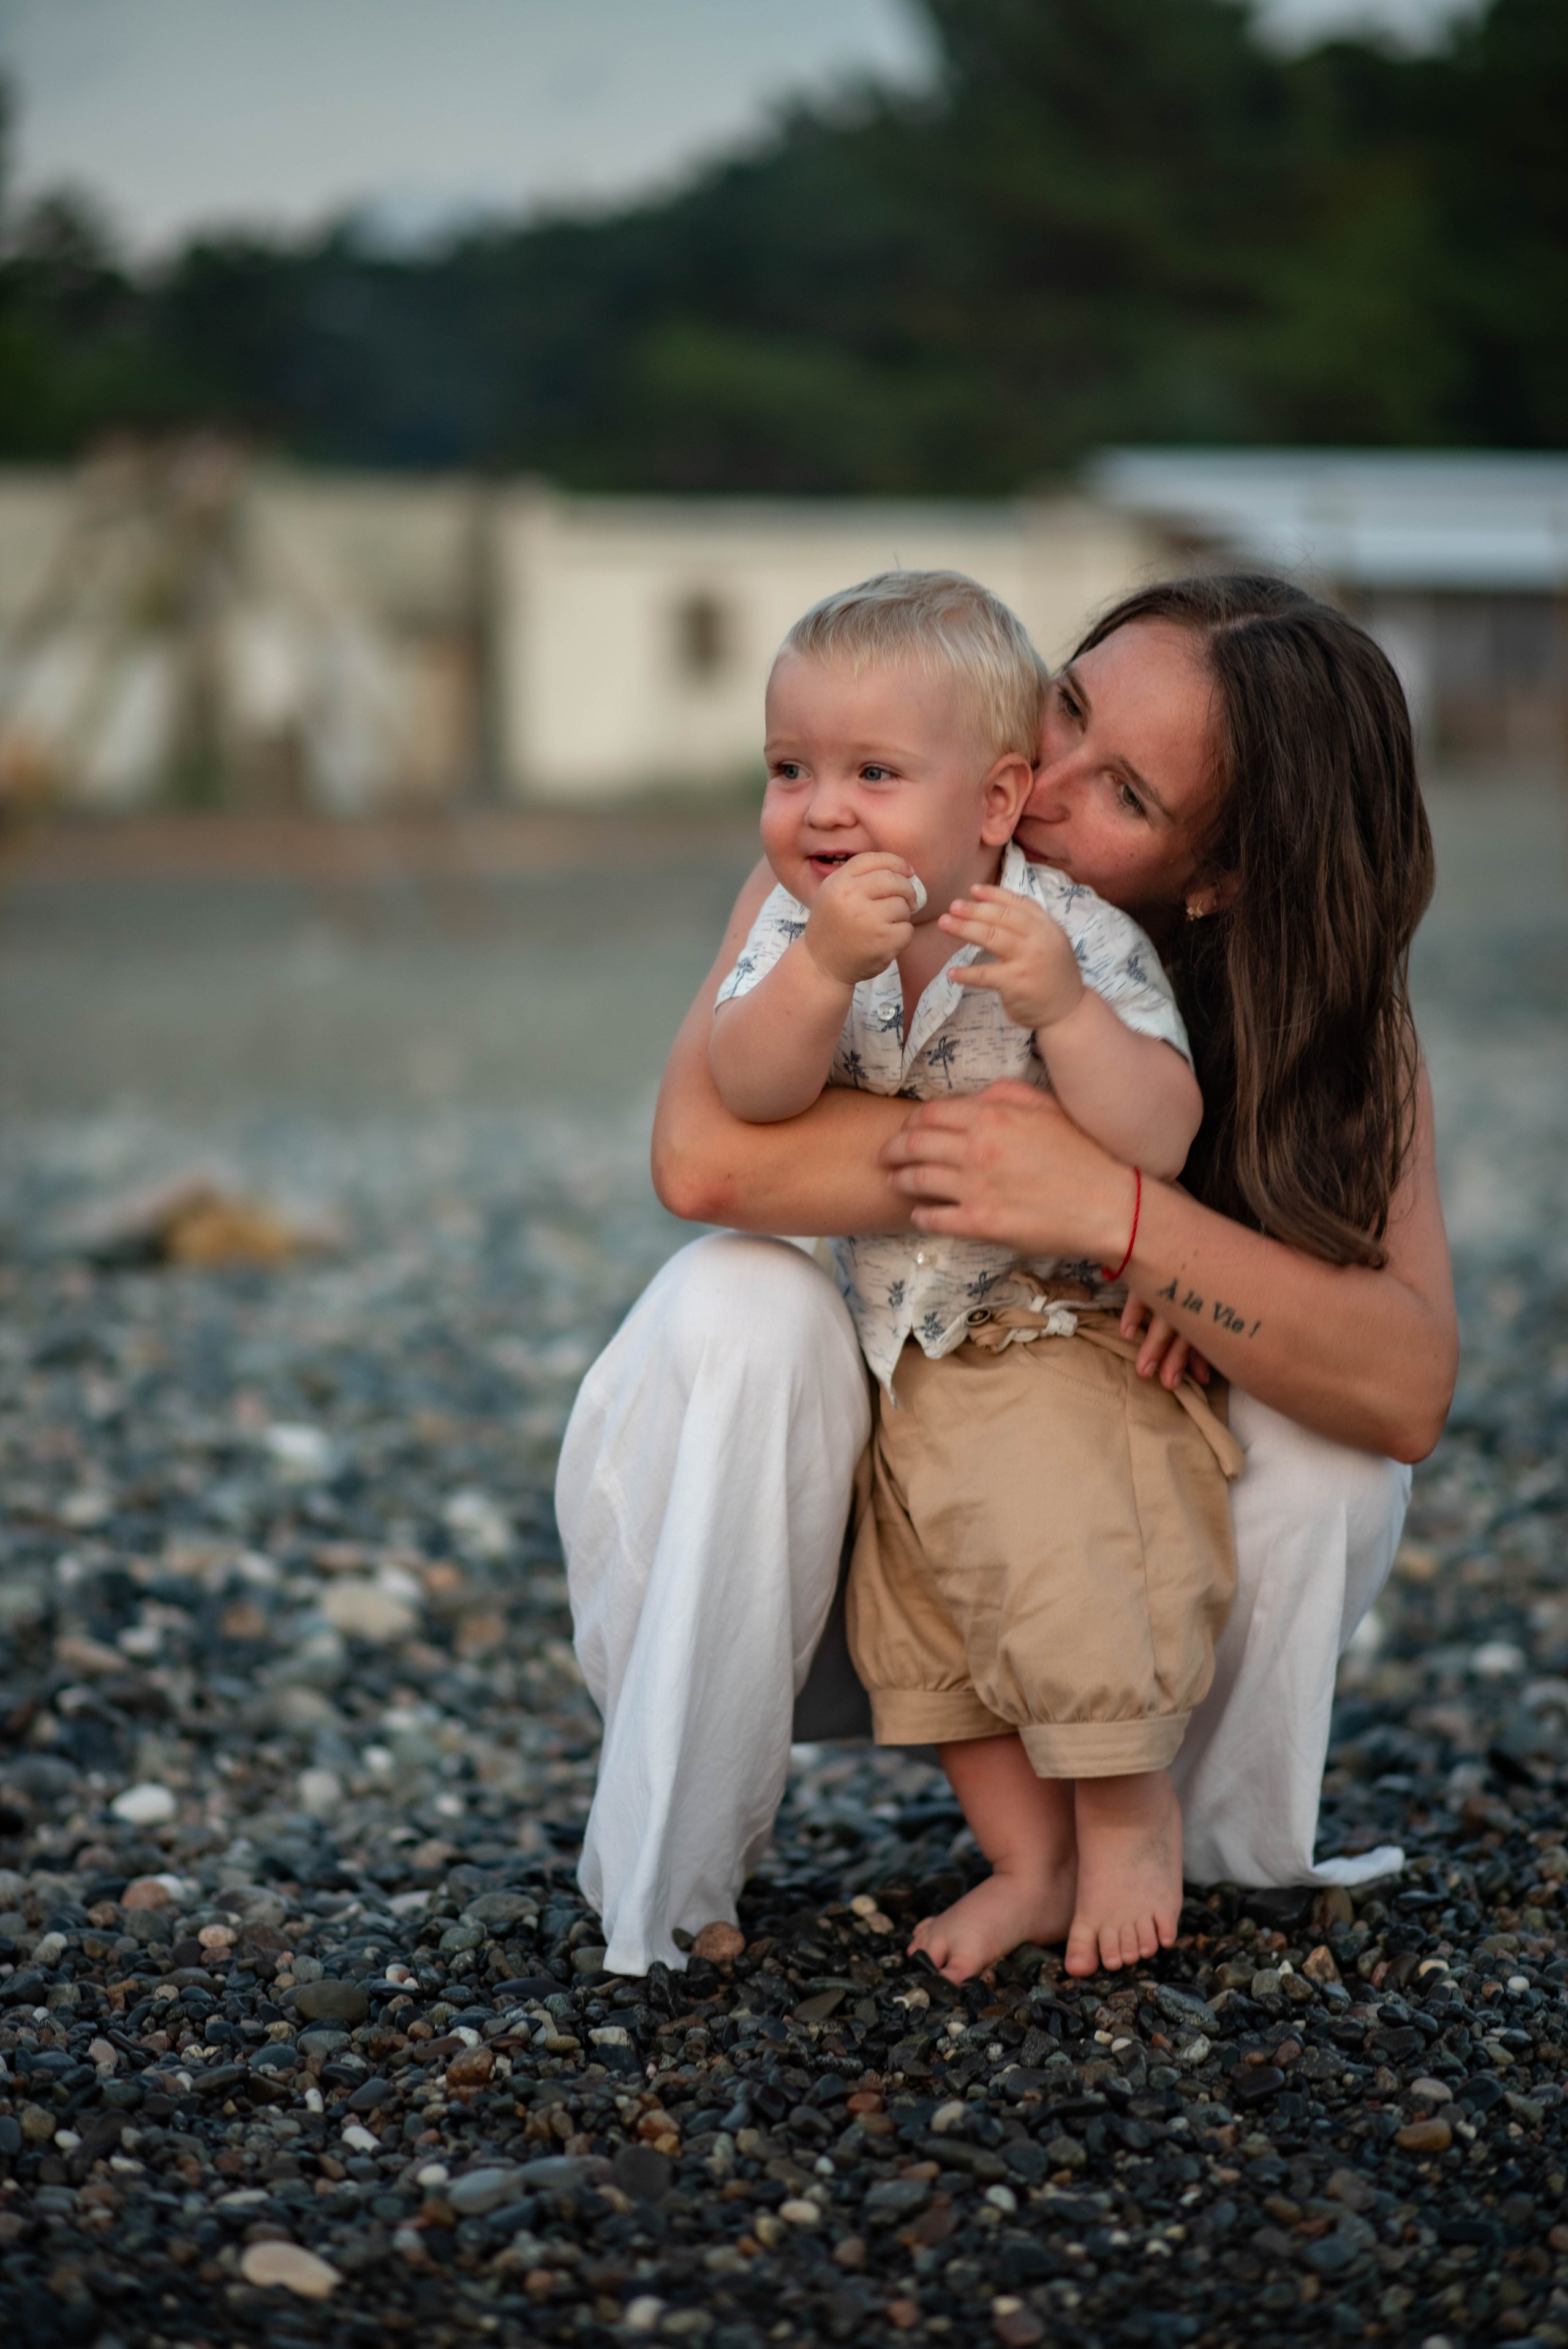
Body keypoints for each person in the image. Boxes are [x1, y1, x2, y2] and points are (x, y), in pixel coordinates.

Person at [559, 573, 1458, 1982]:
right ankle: (670, 1879)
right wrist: (1007, 1172)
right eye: (1069, 706)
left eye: (1124, 796)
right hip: (830, 1544)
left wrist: (1123, 1216)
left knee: (1334, 1448)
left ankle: (1181, 1845)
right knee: (735, 1302)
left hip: (1090, 1542)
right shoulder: (856, 859)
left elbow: (1402, 1388)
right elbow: (703, 1160)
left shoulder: (1309, 1011)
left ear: (1218, 873)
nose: (1038, 786)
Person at [707, 568, 1238, 1981]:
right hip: (900, 1362)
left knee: (1071, 1581)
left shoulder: (1064, 936)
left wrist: (1062, 1009)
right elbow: (744, 1090)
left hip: (1049, 1338)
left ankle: (1127, 1821)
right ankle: (1026, 1859)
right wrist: (816, 973)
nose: (820, 809)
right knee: (927, 1637)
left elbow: (1160, 1134)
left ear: (994, 803)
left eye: (873, 773)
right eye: (788, 769)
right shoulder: (797, 922)